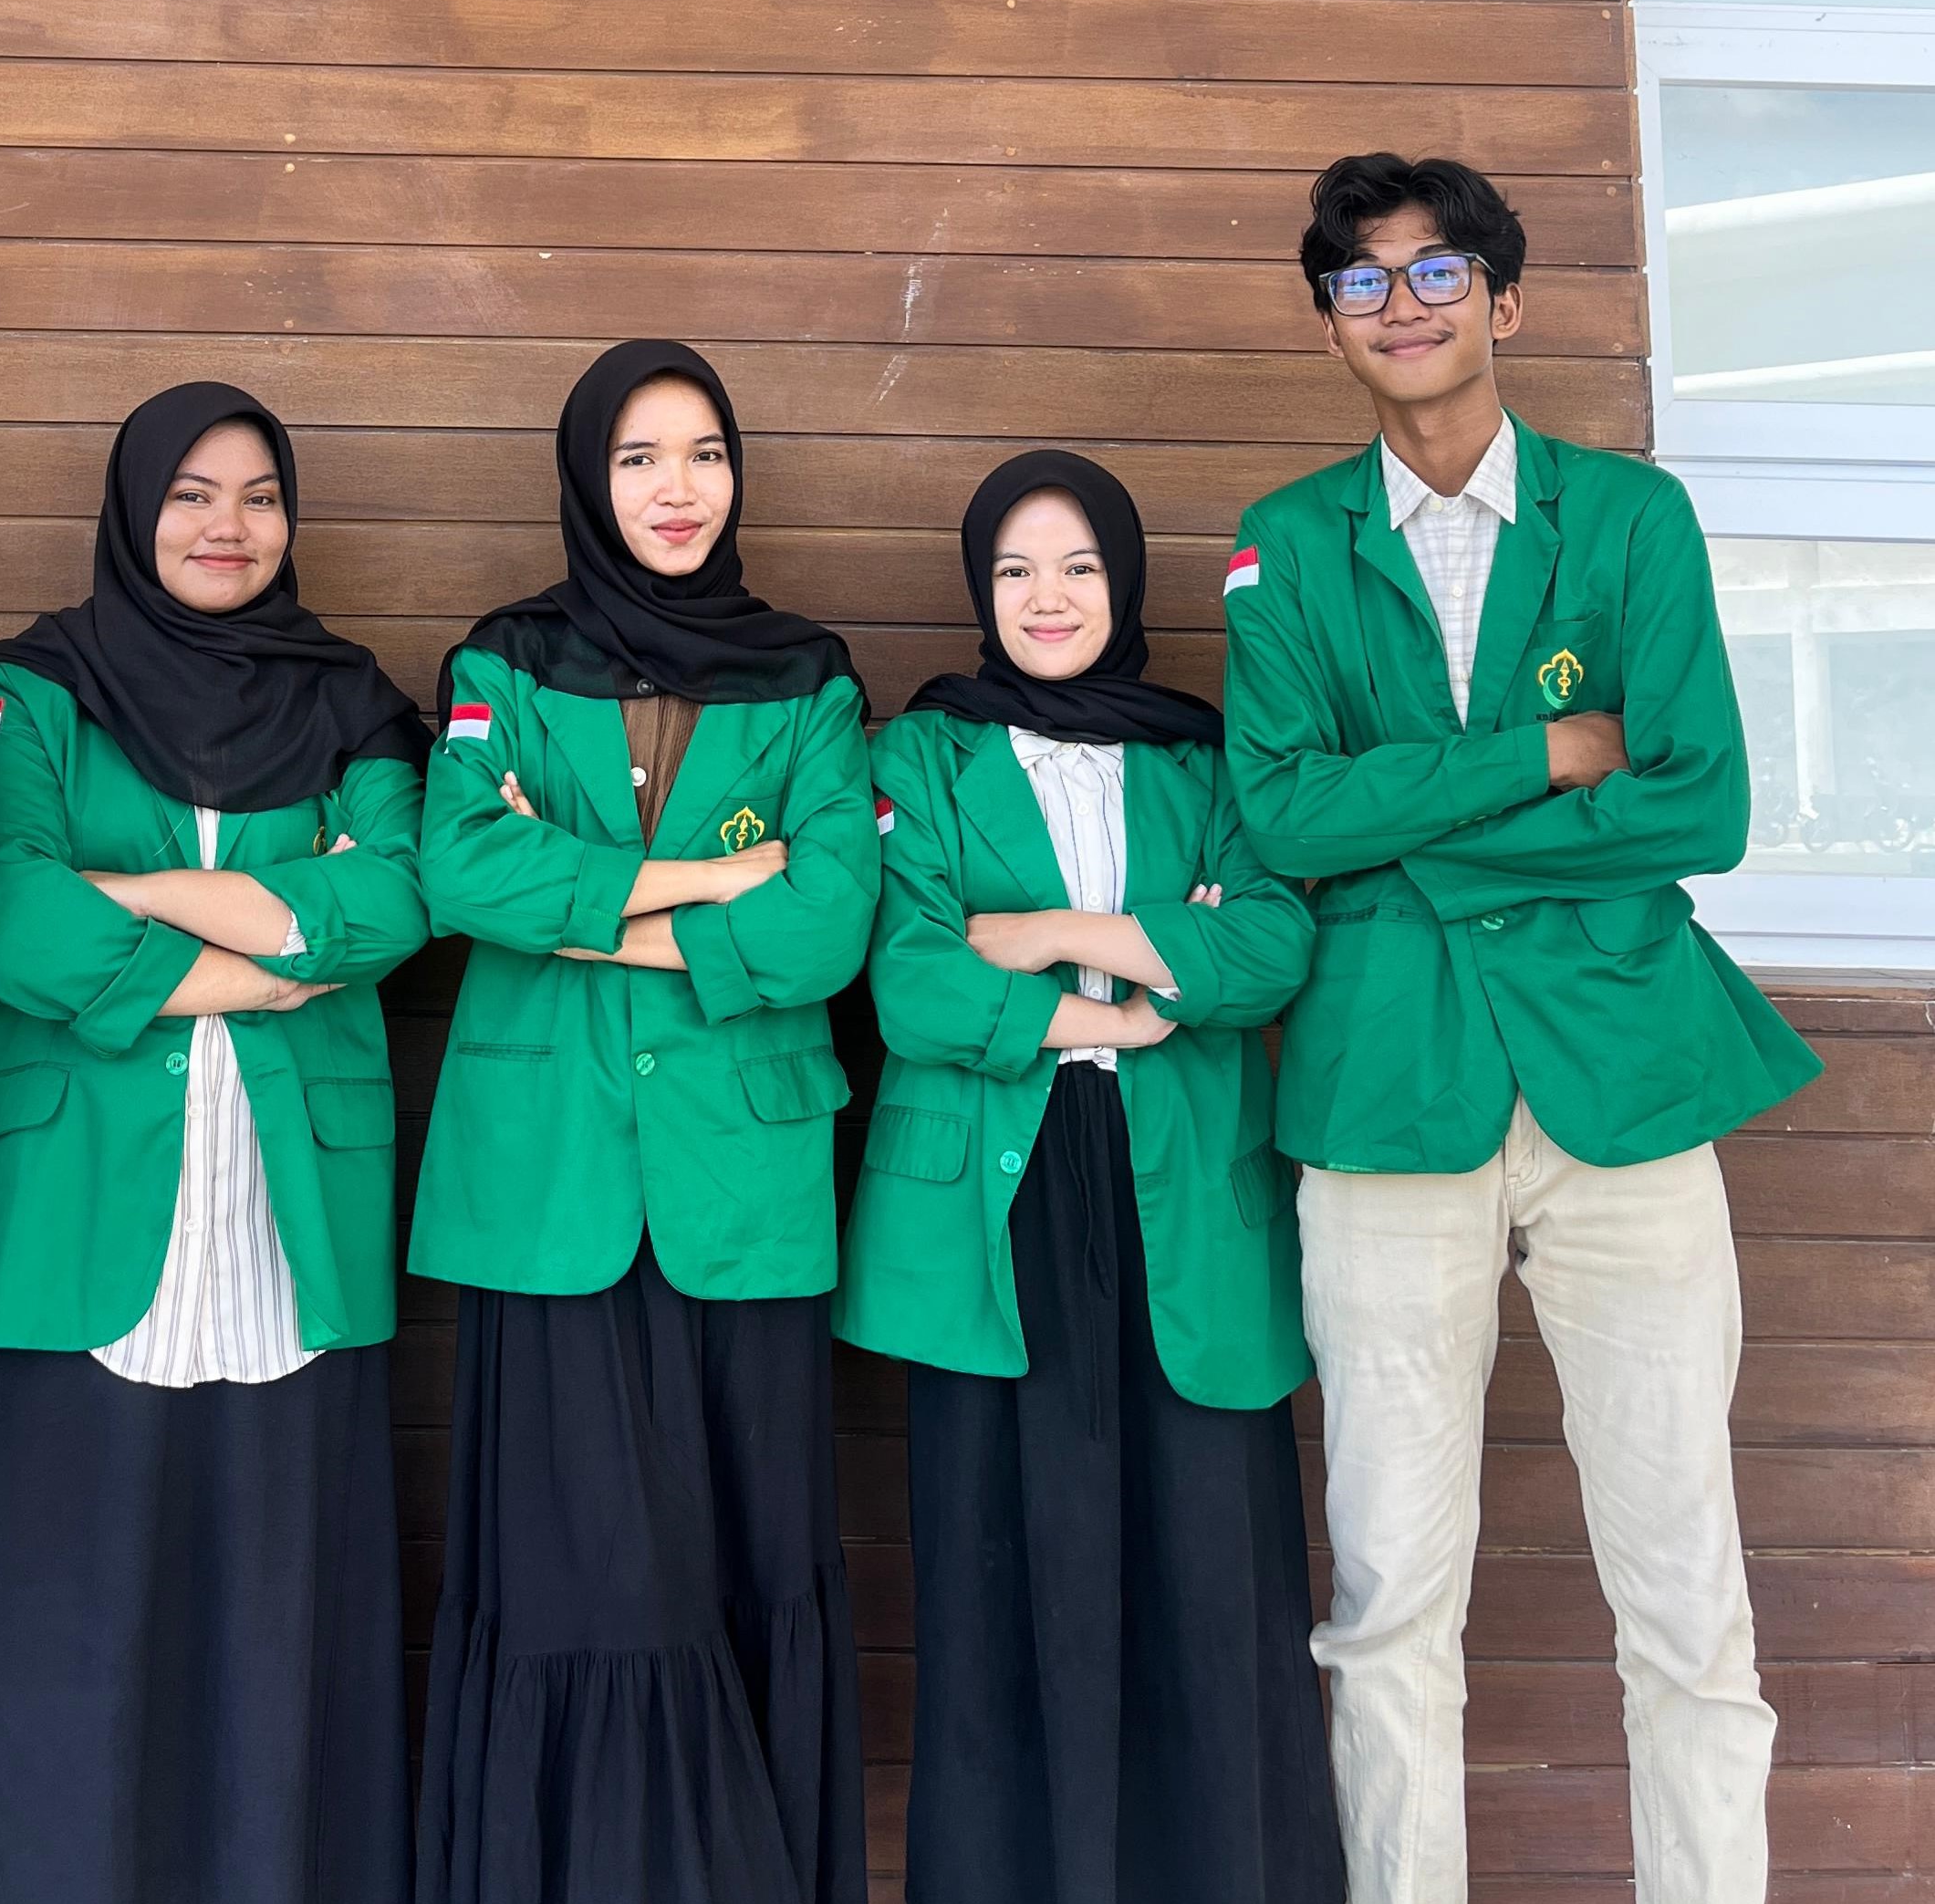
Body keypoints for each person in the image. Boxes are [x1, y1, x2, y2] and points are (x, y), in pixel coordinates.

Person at [1222, 152, 1823, 1904]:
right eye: (1360, 279)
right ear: (1328, 324)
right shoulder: (1284, 543)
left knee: (1685, 1588)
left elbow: (1698, 801)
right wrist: (1545, 754)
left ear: (1504, 297)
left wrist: (1404, 822)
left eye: (1435, 271)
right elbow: (1279, 816)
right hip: (1385, 1095)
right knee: (1387, 1595)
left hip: (1619, 1084)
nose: (1399, 304)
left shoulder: (1629, 519)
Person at [0, 383, 433, 1904]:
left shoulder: (355, 702)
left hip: (285, 1221)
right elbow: (7, 911)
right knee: (63, 1627)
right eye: (189, 493)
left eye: (257, 495)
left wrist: (126, 893)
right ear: (131, 510)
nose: (226, 526)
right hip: (64, 1215)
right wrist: (265, 957)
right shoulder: (33, 687)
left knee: (271, 1627)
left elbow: (390, 899)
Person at [837, 451, 1344, 1904]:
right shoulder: (922, 755)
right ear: (978, 588)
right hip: (995, 1210)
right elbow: (913, 978)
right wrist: (1133, 989)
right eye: (1013, 570)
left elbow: (1268, 945)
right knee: (1004, 1572)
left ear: (1121, 582)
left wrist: (1047, 932)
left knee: (1208, 1570)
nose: (1044, 597)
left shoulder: (1204, 758)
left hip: (1183, 1201)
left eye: (1074, 567)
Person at [411, 340, 879, 1904]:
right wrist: (709, 881)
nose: (677, 491)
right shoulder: (501, 662)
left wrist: (581, 910)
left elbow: (827, 925)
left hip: (742, 1182)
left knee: (748, 1555)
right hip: (547, 1182)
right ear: (585, 480)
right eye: (637, 458)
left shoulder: (807, 674)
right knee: (579, 1568)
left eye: (702, 455)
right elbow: (459, 869)